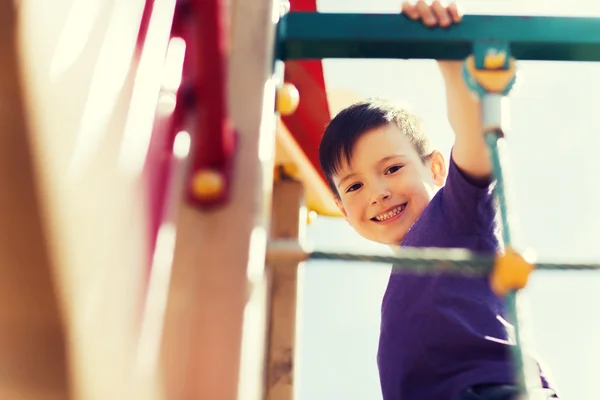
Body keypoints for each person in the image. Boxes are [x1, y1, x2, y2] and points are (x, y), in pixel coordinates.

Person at [317, 1, 559, 399]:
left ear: (434, 169)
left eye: (392, 169)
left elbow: (476, 139)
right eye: (354, 187)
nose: (378, 193)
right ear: (343, 212)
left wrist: (450, 59)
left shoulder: (456, 216)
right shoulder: (403, 281)